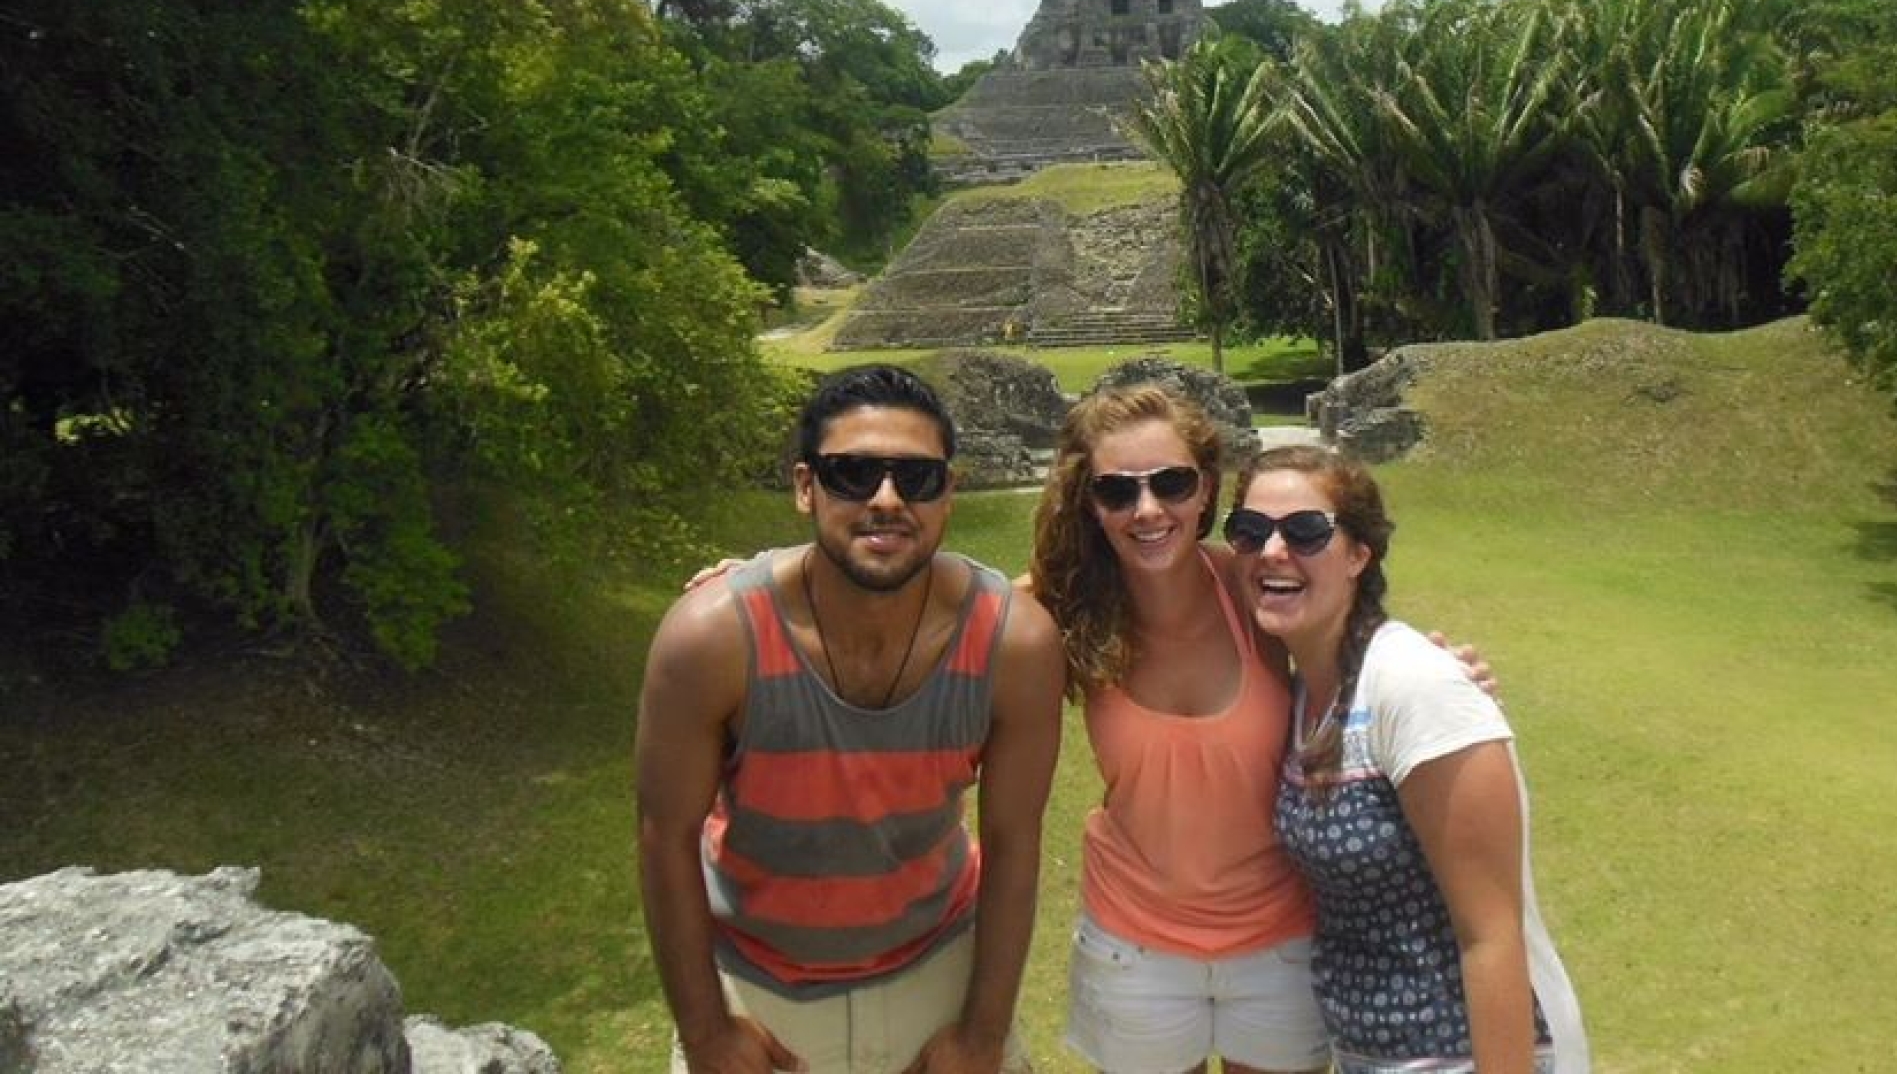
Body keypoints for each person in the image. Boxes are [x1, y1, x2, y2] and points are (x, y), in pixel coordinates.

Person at [1026, 385, 1497, 1074]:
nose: (1148, 508)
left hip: (1278, 935)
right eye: (1117, 491)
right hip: (1133, 943)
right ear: (1088, 502)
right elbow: (954, 621)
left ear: (1206, 489)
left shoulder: (1255, 589)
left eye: (1171, 482)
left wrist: (1441, 675)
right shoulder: (1066, 606)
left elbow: (1356, 650)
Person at [636, 364, 1067, 1074]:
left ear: (949, 492)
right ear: (806, 486)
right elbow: (664, 837)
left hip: (938, 957)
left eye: (918, 478)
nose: (888, 499)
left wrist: (983, 1035)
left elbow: (1016, 841)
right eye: (854, 474)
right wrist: (707, 1033)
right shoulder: (711, 640)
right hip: (757, 972)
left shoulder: (1014, 644)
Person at [1225, 445, 1588, 1074]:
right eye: (1251, 532)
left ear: (1359, 555)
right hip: (1367, 1055)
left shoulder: (1413, 686)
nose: (1273, 551)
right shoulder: (1308, 687)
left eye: (1306, 531)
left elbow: (1491, 936)